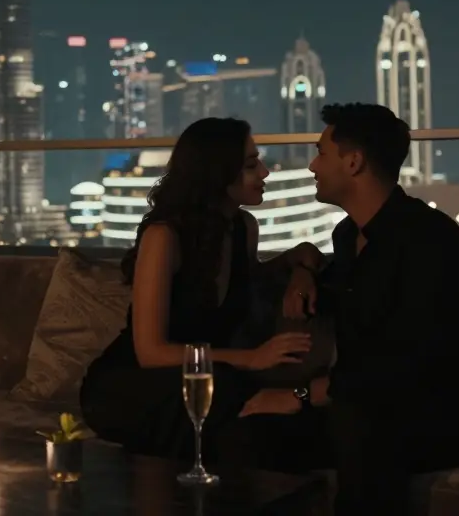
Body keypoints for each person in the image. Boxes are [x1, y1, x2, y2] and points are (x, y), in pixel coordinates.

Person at [79, 117, 328, 468]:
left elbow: (258, 277)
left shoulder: (243, 228)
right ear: (217, 172)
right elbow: (151, 352)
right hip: (136, 384)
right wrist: (252, 357)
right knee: (234, 403)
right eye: (250, 164)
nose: (266, 173)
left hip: (206, 380)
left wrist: (301, 268)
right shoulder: (165, 236)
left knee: (264, 430)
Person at [289, 103, 459, 515]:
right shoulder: (348, 236)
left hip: (432, 420)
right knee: (245, 430)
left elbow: (413, 361)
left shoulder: (430, 240)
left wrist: (305, 394)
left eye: (321, 152)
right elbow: (344, 297)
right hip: (359, 407)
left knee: (361, 424)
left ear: (353, 162)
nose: (312, 165)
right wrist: (302, 268)